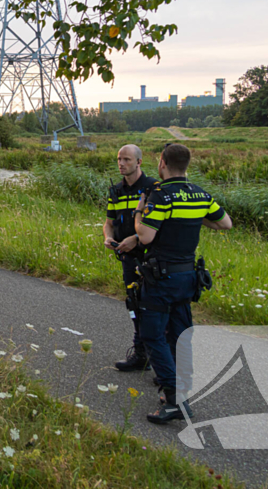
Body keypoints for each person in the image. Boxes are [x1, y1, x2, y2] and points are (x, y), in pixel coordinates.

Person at [134, 143, 232, 424]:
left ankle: (174, 398)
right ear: (187, 165)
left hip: (161, 278)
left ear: (162, 163)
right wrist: (194, 220)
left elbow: (146, 237)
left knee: (153, 335)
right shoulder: (200, 194)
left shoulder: (161, 195)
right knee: (180, 335)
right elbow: (225, 223)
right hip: (187, 277)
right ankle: (182, 391)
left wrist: (139, 214)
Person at [103, 144, 158, 372]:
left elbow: (160, 224)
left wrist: (136, 238)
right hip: (126, 257)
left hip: (150, 257)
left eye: (126, 159)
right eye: (119, 159)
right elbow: (109, 222)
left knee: (153, 308)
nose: (121, 163)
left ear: (139, 162)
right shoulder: (116, 190)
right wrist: (108, 237)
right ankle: (141, 354)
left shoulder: (153, 187)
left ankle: (161, 359)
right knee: (133, 304)